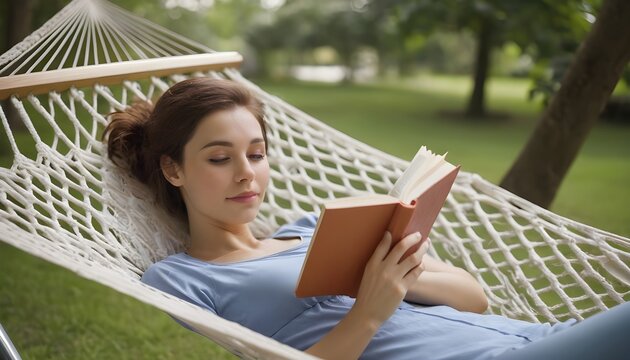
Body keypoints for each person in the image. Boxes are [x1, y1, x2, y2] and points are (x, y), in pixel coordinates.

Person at [103, 77, 629, 360]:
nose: (247, 174)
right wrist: (369, 312)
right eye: (220, 158)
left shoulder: (308, 228)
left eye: (257, 154)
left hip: (537, 336)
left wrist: (402, 272)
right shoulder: (179, 278)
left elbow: (476, 298)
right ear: (173, 168)